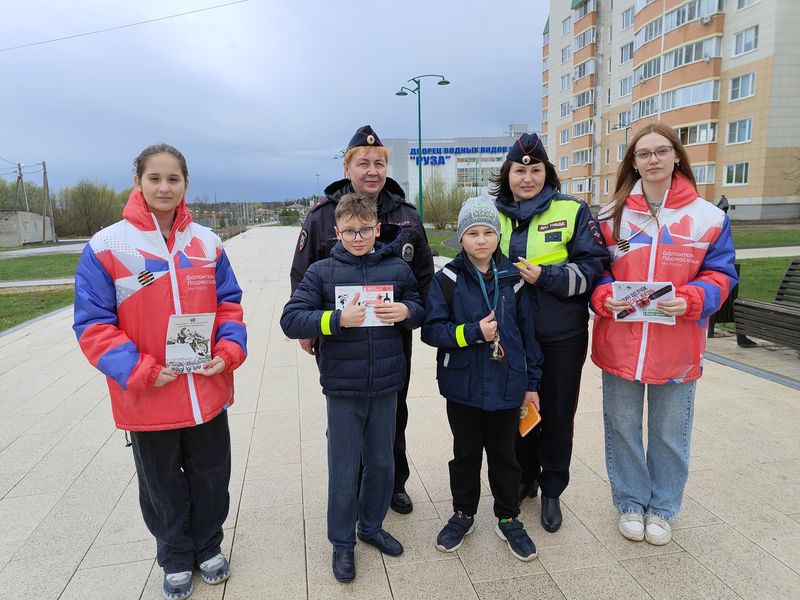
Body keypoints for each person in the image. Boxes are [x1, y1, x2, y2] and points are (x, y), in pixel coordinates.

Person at [73, 144, 247, 600]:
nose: (164, 187)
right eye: (155, 178)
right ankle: (173, 555)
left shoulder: (206, 243)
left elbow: (229, 306)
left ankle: (208, 546)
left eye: (174, 179)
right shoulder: (108, 245)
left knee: (212, 476)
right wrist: (142, 370)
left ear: (186, 183)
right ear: (138, 182)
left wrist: (228, 351)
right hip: (148, 397)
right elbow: (93, 326)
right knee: (161, 484)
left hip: (206, 389)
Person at [590, 122, 738, 545]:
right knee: (621, 426)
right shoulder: (611, 216)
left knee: (671, 432)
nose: (652, 160)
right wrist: (603, 297)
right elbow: (596, 270)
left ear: (676, 155)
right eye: (643, 153)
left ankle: (664, 507)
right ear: (633, 163)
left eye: (661, 151)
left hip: (678, 346)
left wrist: (693, 299)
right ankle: (631, 503)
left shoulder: (707, 218)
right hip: (621, 343)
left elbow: (722, 274)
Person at [281, 193, 425, 583]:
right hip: (343, 388)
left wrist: (408, 312)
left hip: (386, 384)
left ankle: (371, 526)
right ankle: (342, 542)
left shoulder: (396, 269)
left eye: (365, 230)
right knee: (344, 468)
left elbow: (420, 305)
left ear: (378, 229)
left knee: (381, 461)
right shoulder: (322, 272)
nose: (358, 237)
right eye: (350, 231)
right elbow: (291, 319)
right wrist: (334, 318)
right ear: (336, 231)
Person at [290, 125, 433, 515]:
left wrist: (413, 314)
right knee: (347, 419)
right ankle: (350, 489)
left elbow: (422, 274)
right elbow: (303, 274)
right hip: (342, 338)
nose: (372, 170)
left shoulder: (405, 215)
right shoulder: (323, 217)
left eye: (379, 163)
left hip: (391, 335)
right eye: (363, 163)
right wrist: (313, 326)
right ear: (347, 166)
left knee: (393, 411)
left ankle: (391, 485)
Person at [490, 133, 609, 533]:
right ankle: (525, 476)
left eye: (535, 170)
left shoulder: (573, 211)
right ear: (507, 174)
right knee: (517, 409)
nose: (527, 178)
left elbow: (594, 267)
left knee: (557, 412)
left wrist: (547, 277)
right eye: (519, 170)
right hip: (509, 333)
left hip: (560, 332)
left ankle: (552, 486)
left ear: (547, 172)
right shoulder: (491, 212)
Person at [421, 197, 542, 562]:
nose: (481, 240)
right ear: (460, 239)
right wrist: (473, 332)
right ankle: (463, 513)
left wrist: (531, 383)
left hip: (507, 385)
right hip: (463, 387)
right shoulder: (447, 279)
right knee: (466, 453)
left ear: (498, 235)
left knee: (505, 455)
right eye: (472, 233)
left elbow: (528, 335)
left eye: (488, 232)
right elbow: (431, 331)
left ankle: (508, 516)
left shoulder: (515, 280)